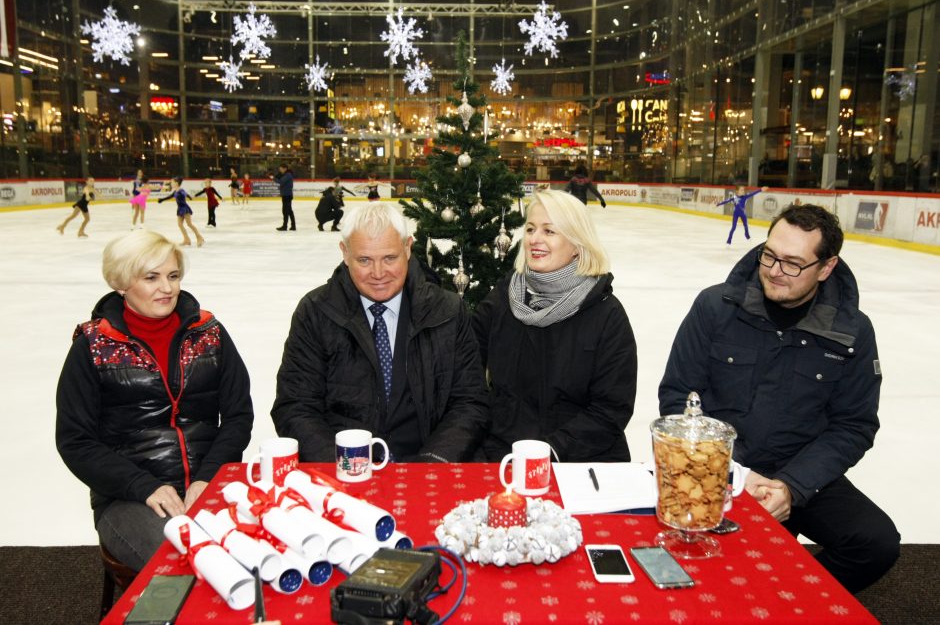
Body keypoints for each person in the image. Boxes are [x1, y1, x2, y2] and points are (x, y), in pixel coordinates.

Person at [658, 204, 900, 593]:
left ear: (825, 268)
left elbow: (854, 425)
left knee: (874, 542)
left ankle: (789, 600)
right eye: (769, 255)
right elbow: (676, 397)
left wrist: (792, 486)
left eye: (792, 263)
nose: (774, 270)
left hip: (803, 472)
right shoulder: (715, 307)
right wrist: (735, 474)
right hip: (720, 467)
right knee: (709, 562)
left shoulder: (851, 331)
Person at [55, 229, 254, 571]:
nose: (168, 288)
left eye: (173, 276)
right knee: (193, 564)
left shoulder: (209, 333)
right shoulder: (93, 346)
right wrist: (143, 486)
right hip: (130, 497)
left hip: (210, 483)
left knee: (266, 548)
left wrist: (209, 476)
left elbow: (238, 415)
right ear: (121, 282)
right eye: (152, 277)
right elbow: (75, 441)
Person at [271, 202, 489, 463]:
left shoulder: (449, 311)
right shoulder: (316, 313)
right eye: (364, 260)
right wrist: (344, 465)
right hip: (343, 471)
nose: (378, 273)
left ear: (407, 248)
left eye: (389, 258)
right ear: (345, 253)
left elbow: (470, 402)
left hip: (429, 469)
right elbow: (295, 406)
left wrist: (433, 462)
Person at [472, 189, 637, 462]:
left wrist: (549, 452)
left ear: (576, 244)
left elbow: (610, 410)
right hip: (502, 454)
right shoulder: (502, 299)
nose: (534, 239)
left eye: (549, 231)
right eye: (530, 229)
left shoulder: (607, 314)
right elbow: (466, 370)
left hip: (579, 461)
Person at [158, 177, 205, 247]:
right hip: (180, 209)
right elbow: (170, 196)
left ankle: (199, 237)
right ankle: (187, 240)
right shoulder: (175, 191)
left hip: (185, 208)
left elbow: (184, 193)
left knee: (189, 224)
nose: (171, 184)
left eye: (172, 182)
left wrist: (187, 196)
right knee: (180, 224)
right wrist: (162, 199)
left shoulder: (181, 191)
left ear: (176, 183)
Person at [273, 164, 295, 231]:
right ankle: (293, 226)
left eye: (281, 169)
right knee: (289, 211)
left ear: (285, 168)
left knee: (285, 211)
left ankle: (285, 226)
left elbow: (281, 182)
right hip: (286, 195)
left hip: (287, 195)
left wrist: (273, 178)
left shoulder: (288, 175)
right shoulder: (286, 175)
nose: (280, 170)